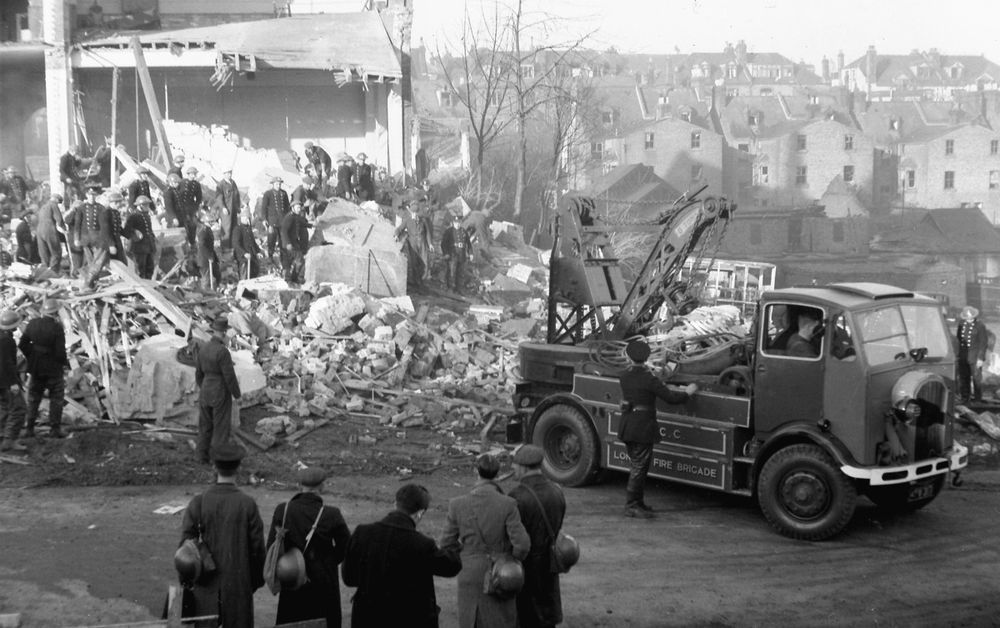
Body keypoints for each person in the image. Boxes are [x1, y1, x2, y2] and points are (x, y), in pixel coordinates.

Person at [343, 483, 462, 628]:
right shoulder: (422, 544)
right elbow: (450, 567)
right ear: (419, 513)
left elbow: (349, 578)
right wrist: (454, 546)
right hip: (410, 619)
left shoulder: (362, 533)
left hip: (367, 617)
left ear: (395, 504)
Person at [180, 441, 266, 628]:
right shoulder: (247, 504)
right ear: (239, 468)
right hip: (238, 588)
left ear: (214, 467)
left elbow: (184, 550)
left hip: (205, 588)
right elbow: (258, 550)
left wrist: (188, 581)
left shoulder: (198, 503)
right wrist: (254, 582)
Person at [440, 453, 531, 628]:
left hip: (469, 572)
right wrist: (510, 560)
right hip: (502, 574)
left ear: (476, 472)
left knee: (471, 621)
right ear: (497, 474)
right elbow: (522, 545)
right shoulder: (508, 504)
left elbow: (445, 543)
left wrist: (466, 552)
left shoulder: (457, 504)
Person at [617, 339, 697, 518]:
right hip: (642, 428)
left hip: (628, 425)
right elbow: (670, 397)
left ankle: (638, 503)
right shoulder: (649, 379)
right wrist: (688, 392)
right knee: (639, 467)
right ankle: (632, 505)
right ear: (646, 358)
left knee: (637, 465)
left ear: (629, 357)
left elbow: (642, 385)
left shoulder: (625, 376)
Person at [267, 466, 351, 627]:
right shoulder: (331, 514)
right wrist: (328, 562)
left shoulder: (283, 510)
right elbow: (346, 547)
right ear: (322, 486)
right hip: (324, 584)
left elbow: (271, 547)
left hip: (292, 580)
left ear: (299, 486)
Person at [507, 445, 565, 628]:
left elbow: (512, 536)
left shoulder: (517, 496)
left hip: (526, 565)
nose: (512, 469)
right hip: (550, 563)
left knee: (526, 615)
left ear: (524, 467)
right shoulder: (557, 491)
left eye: (514, 465)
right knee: (547, 614)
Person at [19, 298, 69, 439]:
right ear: (56, 312)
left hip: (36, 368)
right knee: (56, 398)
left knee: (34, 398)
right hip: (53, 369)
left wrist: (34, 354)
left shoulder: (33, 323)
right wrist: (63, 364)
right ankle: (54, 430)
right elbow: (60, 352)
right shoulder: (57, 327)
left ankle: (29, 429)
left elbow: (22, 345)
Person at [194, 316, 241, 464]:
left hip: (205, 390)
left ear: (213, 330)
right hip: (220, 391)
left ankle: (202, 457)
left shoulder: (203, 349)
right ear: (224, 332)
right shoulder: (222, 351)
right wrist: (237, 394)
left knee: (205, 425)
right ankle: (218, 458)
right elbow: (229, 376)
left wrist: (204, 387)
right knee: (221, 427)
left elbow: (198, 374)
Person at [0, 310, 27, 453]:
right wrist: (13, 383)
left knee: (4, 408)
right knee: (18, 409)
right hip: (6, 380)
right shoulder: (6, 340)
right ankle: (10, 440)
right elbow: (6, 363)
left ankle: (2, 437)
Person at [396, 201, 434, 288]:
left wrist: (430, 244)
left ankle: (422, 279)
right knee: (414, 263)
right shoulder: (407, 220)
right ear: (411, 213)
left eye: (416, 213)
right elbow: (399, 228)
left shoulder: (423, 221)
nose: (415, 215)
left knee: (425, 262)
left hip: (422, 243)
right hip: (412, 243)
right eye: (413, 213)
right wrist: (396, 235)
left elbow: (427, 233)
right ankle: (416, 282)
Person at [957, 306, 990, 402]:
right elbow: (959, 339)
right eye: (967, 318)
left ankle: (977, 399)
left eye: (971, 317)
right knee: (964, 377)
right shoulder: (961, 324)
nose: (969, 319)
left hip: (975, 356)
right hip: (963, 356)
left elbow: (983, 343)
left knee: (976, 379)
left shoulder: (980, 325)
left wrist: (980, 358)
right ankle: (965, 398)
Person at [72, 183, 105, 277]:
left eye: (94, 195)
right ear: (87, 195)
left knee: (97, 259)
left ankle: (92, 276)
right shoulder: (81, 208)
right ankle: (87, 277)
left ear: (96, 196)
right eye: (90, 195)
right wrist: (76, 238)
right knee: (88, 259)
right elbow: (77, 225)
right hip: (85, 237)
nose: (92, 197)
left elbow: (103, 225)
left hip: (97, 238)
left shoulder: (101, 208)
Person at [123, 195, 157, 279]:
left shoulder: (147, 216)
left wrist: (153, 238)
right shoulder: (133, 216)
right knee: (140, 269)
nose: (148, 207)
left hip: (148, 245)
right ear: (141, 206)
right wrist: (134, 232)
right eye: (146, 205)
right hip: (139, 247)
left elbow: (149, 230)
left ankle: (149, 286)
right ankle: (142, 289)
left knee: (150, 267)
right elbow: (126, 231)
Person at [259, 177, 290, 265]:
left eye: (280, 184)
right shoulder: (268, 194)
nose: (278, 185)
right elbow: (264, 208)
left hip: (283, 221)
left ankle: (284, 257)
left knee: (283, 240)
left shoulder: (284, 193)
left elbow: (287, 207)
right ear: (273, 184)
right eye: (277, 184)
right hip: (272, 222)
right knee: (271, 239)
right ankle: (270, 256)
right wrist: (264, 219)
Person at [280, 201, 310, 284]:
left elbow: (302, 223)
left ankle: (295, 278)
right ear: (292, 208)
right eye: (297, 207)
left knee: (300, 261)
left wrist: (311, 225)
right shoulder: (289, 217)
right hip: (288, 244)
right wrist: (287, 243)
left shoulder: (296, 216)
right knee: (293, 262)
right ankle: (290, 280)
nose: (299, 209)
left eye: (300, 208)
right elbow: (284, 231)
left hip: (294, 243)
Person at [441, 214, 472, 293]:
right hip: (452, 254)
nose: (457, 224)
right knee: (452, 272)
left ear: (461, 222)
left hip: (461, 255)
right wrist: (446, 253)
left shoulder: (463, 231)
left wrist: (470, 253)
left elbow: (468, 243)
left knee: (460, 272)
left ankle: (459, 288)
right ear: (453, 223)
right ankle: (451, 287)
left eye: (459, 222)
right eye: (455, 222)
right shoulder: (449, 231)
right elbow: (443, 244)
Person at [36, 194, 66, 272]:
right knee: (56, 251)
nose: (58, 204)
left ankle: (44, 271)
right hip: (49, 228)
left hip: (39, 230)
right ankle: (53, 271)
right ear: (56, 200)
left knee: (44, 252)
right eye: (58, 202)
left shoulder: (43, 207)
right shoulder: (53, 205)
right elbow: (59, 220)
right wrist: (65, 229)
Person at [213, 168, 241, 249]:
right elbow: (219, 198)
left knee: (234, 228)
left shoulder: (233, 182)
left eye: (230, 173)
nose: (229, 174)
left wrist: (238, 207)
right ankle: (225, 249)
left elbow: (237, 195)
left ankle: (234, 246)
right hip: (226, 210)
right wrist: (223, 207)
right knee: (226, 229)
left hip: (234, 210)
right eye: (228, 173)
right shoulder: (221, 184)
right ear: (224, 174)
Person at [194, 210, 221, 291]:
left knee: (217, 274)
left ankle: (216, 290)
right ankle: (205, 293)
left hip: (211, 257)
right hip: (204, 259)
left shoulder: (208, 230)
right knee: (206, 278)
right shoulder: (202, 231)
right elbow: (202, 246)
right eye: (211, 221)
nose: (212, 223)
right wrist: (209, 256)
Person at [232, 210, 261, 281]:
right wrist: (244, 253)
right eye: (246, 218)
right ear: (242, 218)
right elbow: (236, 244)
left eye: (248, 218)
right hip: (243, 257)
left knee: (255, 273)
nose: (248, 220)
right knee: (244, 276)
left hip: (252, 255)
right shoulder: (238, 229)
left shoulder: (248, 228)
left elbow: (253, 242)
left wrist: (258, 251)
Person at [179, 166, 203, 245]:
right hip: (181, 207)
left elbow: (199, 198)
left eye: (195, 174)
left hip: (191, 208)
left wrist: (196, 207)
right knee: (183, 226)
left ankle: (192, 243)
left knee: (192, 226)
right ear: (188, 174)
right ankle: (185, 244)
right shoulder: (182, 182)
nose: (193, 176)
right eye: (192, 174)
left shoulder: (196, 185)